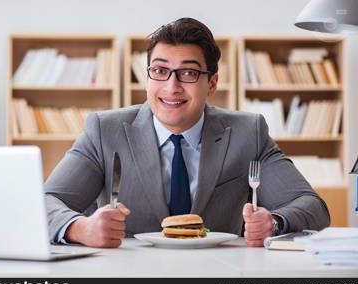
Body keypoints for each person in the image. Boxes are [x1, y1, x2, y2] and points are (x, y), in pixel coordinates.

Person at [44, 17, 330, 248]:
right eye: (159, 70)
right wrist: (80, 228)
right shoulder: (104, 131)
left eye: (189, 73)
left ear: (212, 83)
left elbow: (313, 207)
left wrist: (276, 223)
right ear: (147, 77)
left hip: (220, 275)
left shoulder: (247, 132)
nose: (171, 87)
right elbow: (45, 203)